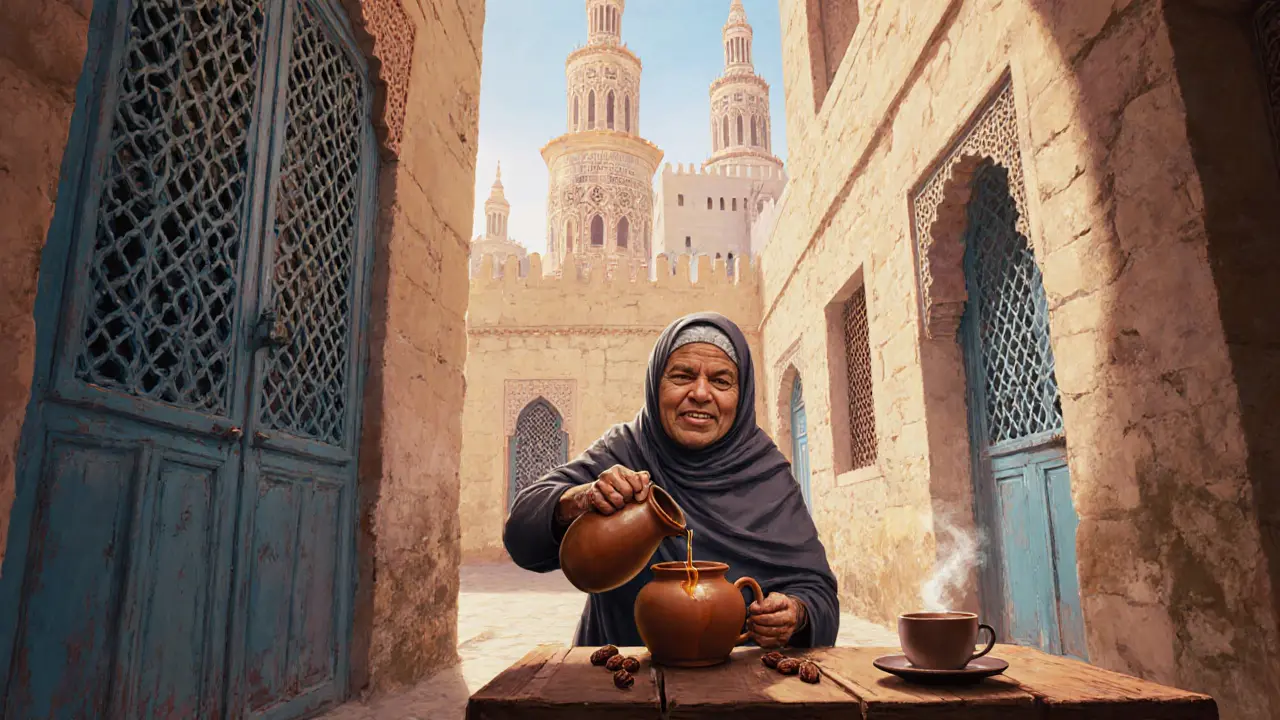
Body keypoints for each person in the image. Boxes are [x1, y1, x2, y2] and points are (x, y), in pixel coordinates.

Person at [503, 312, 839, 649]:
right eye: (682, 376)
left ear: (742, 394)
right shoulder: (625, 451)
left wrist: (795, 612)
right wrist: (580, 500)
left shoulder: (766, 473)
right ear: (655, 384)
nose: (701, 393)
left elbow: (820, 594)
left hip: (742, 688)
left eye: (721, 381)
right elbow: (520, 533)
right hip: (620, 681)